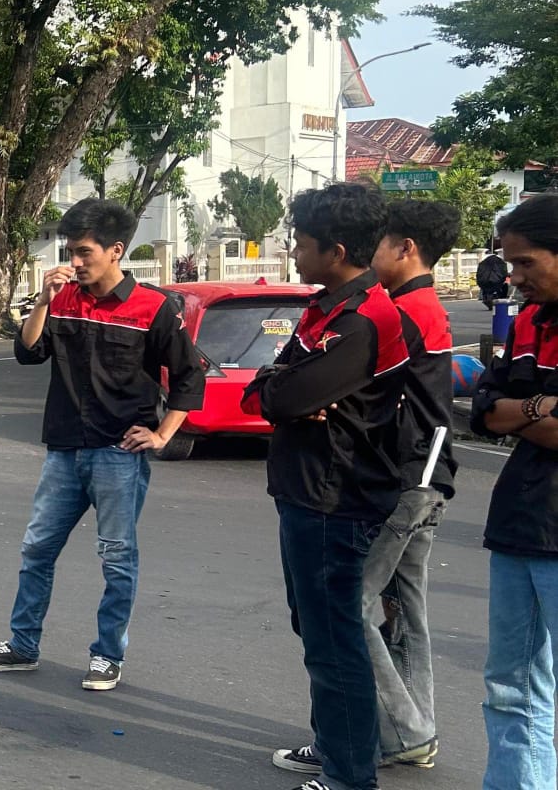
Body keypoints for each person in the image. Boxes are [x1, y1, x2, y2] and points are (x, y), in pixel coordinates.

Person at [0, 197, 205, 691]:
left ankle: (107, 655)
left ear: (115, 250)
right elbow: (29, 352)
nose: (74, 262)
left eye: (83, 252)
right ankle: (23, 645)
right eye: (70, 251)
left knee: (116, 558)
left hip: (118, 454)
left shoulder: (153, 308)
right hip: (64, 450)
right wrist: (42, 302)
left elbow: (189, 376)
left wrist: (162, 433)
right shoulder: (64, 299)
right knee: (37, 549)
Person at [271, 198, 460, 779]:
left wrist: (299, 392)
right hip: (410, 477)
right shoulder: (404, 307)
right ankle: (396, 734)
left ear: (405, 248)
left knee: (343, 622)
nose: (371, 254)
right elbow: (280, 386)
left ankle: (372, 742)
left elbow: (290, 395)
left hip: (398, 481)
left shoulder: (390, 315)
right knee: (393, 615)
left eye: (380, 242)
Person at [243, 183, 409, 790]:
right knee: (317, 631)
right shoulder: (325, 311)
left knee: (334, 640)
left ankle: (348, 775)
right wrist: (281, 386)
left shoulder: (364, 321)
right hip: (307, 491)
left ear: (335, 251)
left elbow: (284, 397)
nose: (293, 252)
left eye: (301, 243)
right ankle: (335, 747)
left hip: (336, 497)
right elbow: (265, 391)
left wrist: (284, 389)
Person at [470, 193, 558, 790]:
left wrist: (514, 412)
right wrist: (535, 408)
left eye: (526, 263)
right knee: (511, 687)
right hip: (520, 525)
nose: (514, 278)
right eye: (509, 263)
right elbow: (482, 411)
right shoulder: (528, 323)